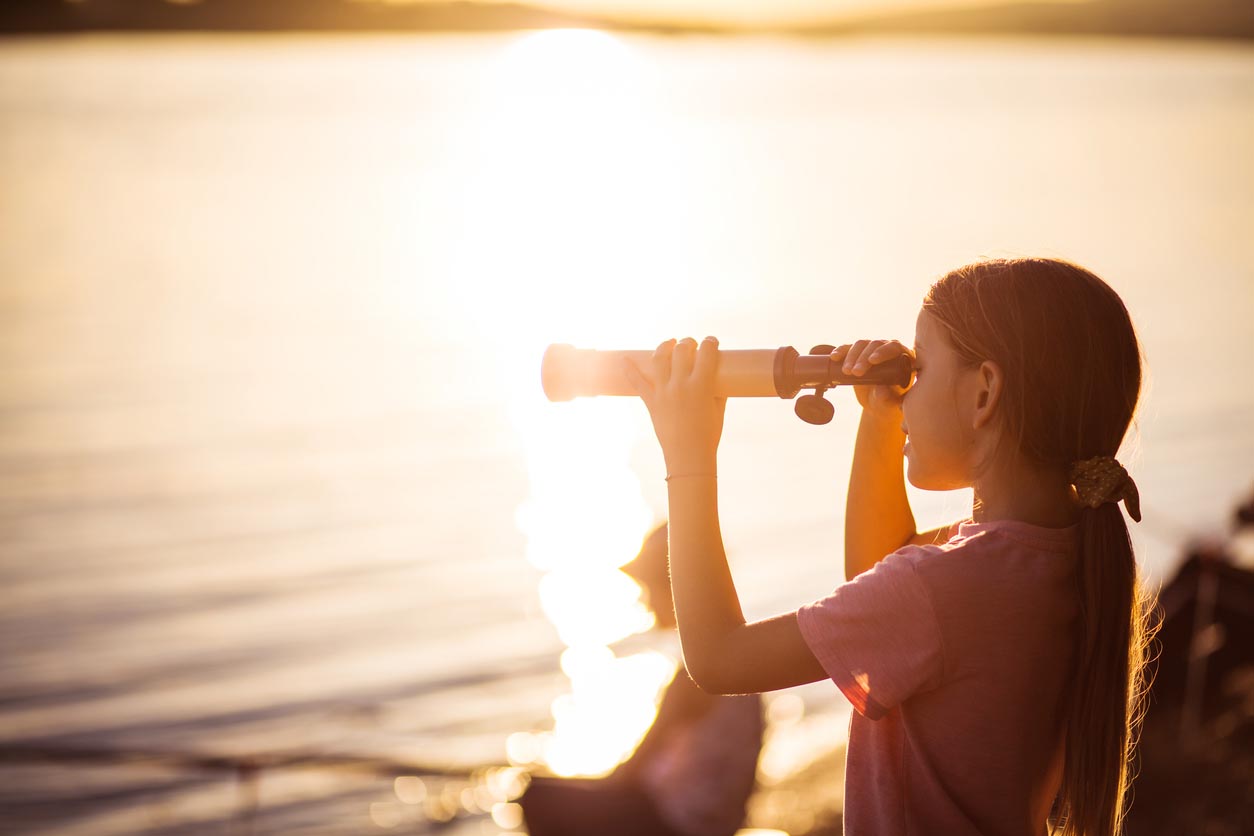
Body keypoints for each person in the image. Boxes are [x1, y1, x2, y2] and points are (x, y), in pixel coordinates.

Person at [622, 257, 1158, 836]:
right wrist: (881, 421)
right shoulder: (1052, 555)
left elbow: (719, 658)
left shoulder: (948, 583)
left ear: (984, 393)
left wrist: (688, 454)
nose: (905, 388)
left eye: (919, 368)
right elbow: (885, 603)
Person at [518, 522, 764, 836]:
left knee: (536, 796)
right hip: (717, 820)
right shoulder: (737, 656)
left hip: (676, 825)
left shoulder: (695, 676)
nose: (644, 602)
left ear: (677, 589)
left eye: (649, 587)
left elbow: (630, 772)